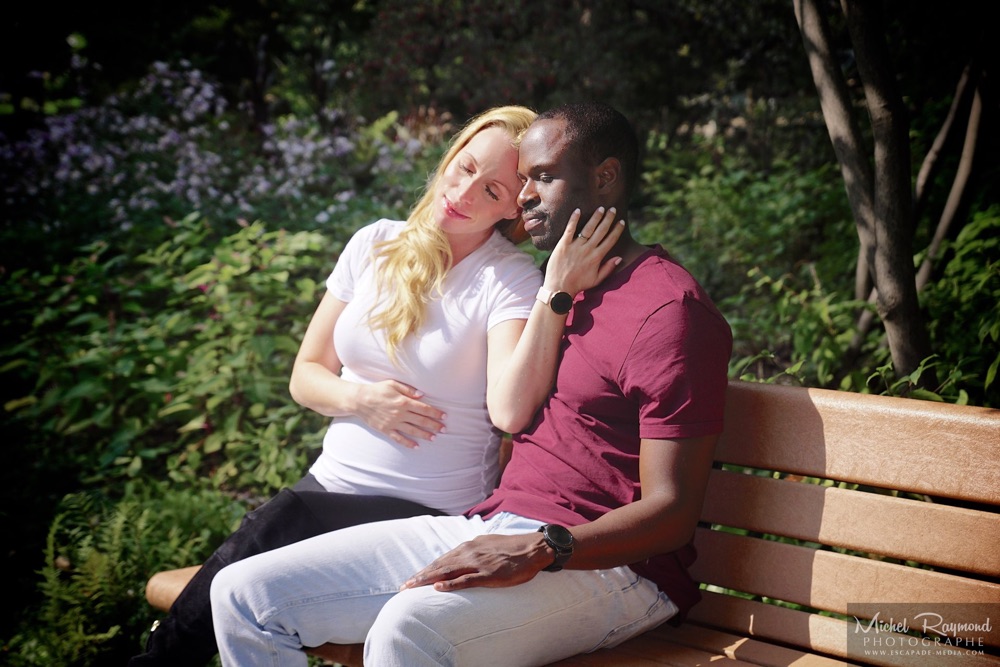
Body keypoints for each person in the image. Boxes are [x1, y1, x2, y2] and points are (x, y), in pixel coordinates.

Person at [209, 101, 733, 667]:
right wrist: (554, 291)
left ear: (604, 177)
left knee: (408, 629)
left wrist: (542, 547)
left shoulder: (668, 310)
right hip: (495, 524)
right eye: (523, 180)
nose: (524, 196)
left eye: (543, 177)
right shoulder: (563, 288)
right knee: (244, 595)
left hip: (613, 567)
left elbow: (673, 512)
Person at [129, 105, 625, 666]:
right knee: (251, 558)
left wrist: (554, 293)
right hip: (326, 489)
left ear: (513, 209)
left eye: (491, 191)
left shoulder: (505, 278)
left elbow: (509, 411)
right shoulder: (374, 244)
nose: (462, 193)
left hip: (423, 512)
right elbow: (305, 375)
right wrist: (362, 399)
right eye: (462, 168)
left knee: (255, 548)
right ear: (449, 157)